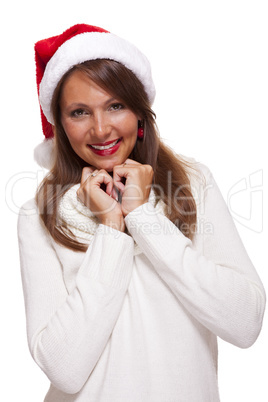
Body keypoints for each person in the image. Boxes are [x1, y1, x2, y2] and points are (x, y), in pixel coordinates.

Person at [18, 24, 266, 402]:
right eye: (79, 112)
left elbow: (245, 323)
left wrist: (142, 216)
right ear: (59, 124)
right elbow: (64, 369)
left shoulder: (193, 183)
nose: (101, 130)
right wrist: (112, 229)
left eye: (115, 105)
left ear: (139, 112)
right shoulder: (39, 214)